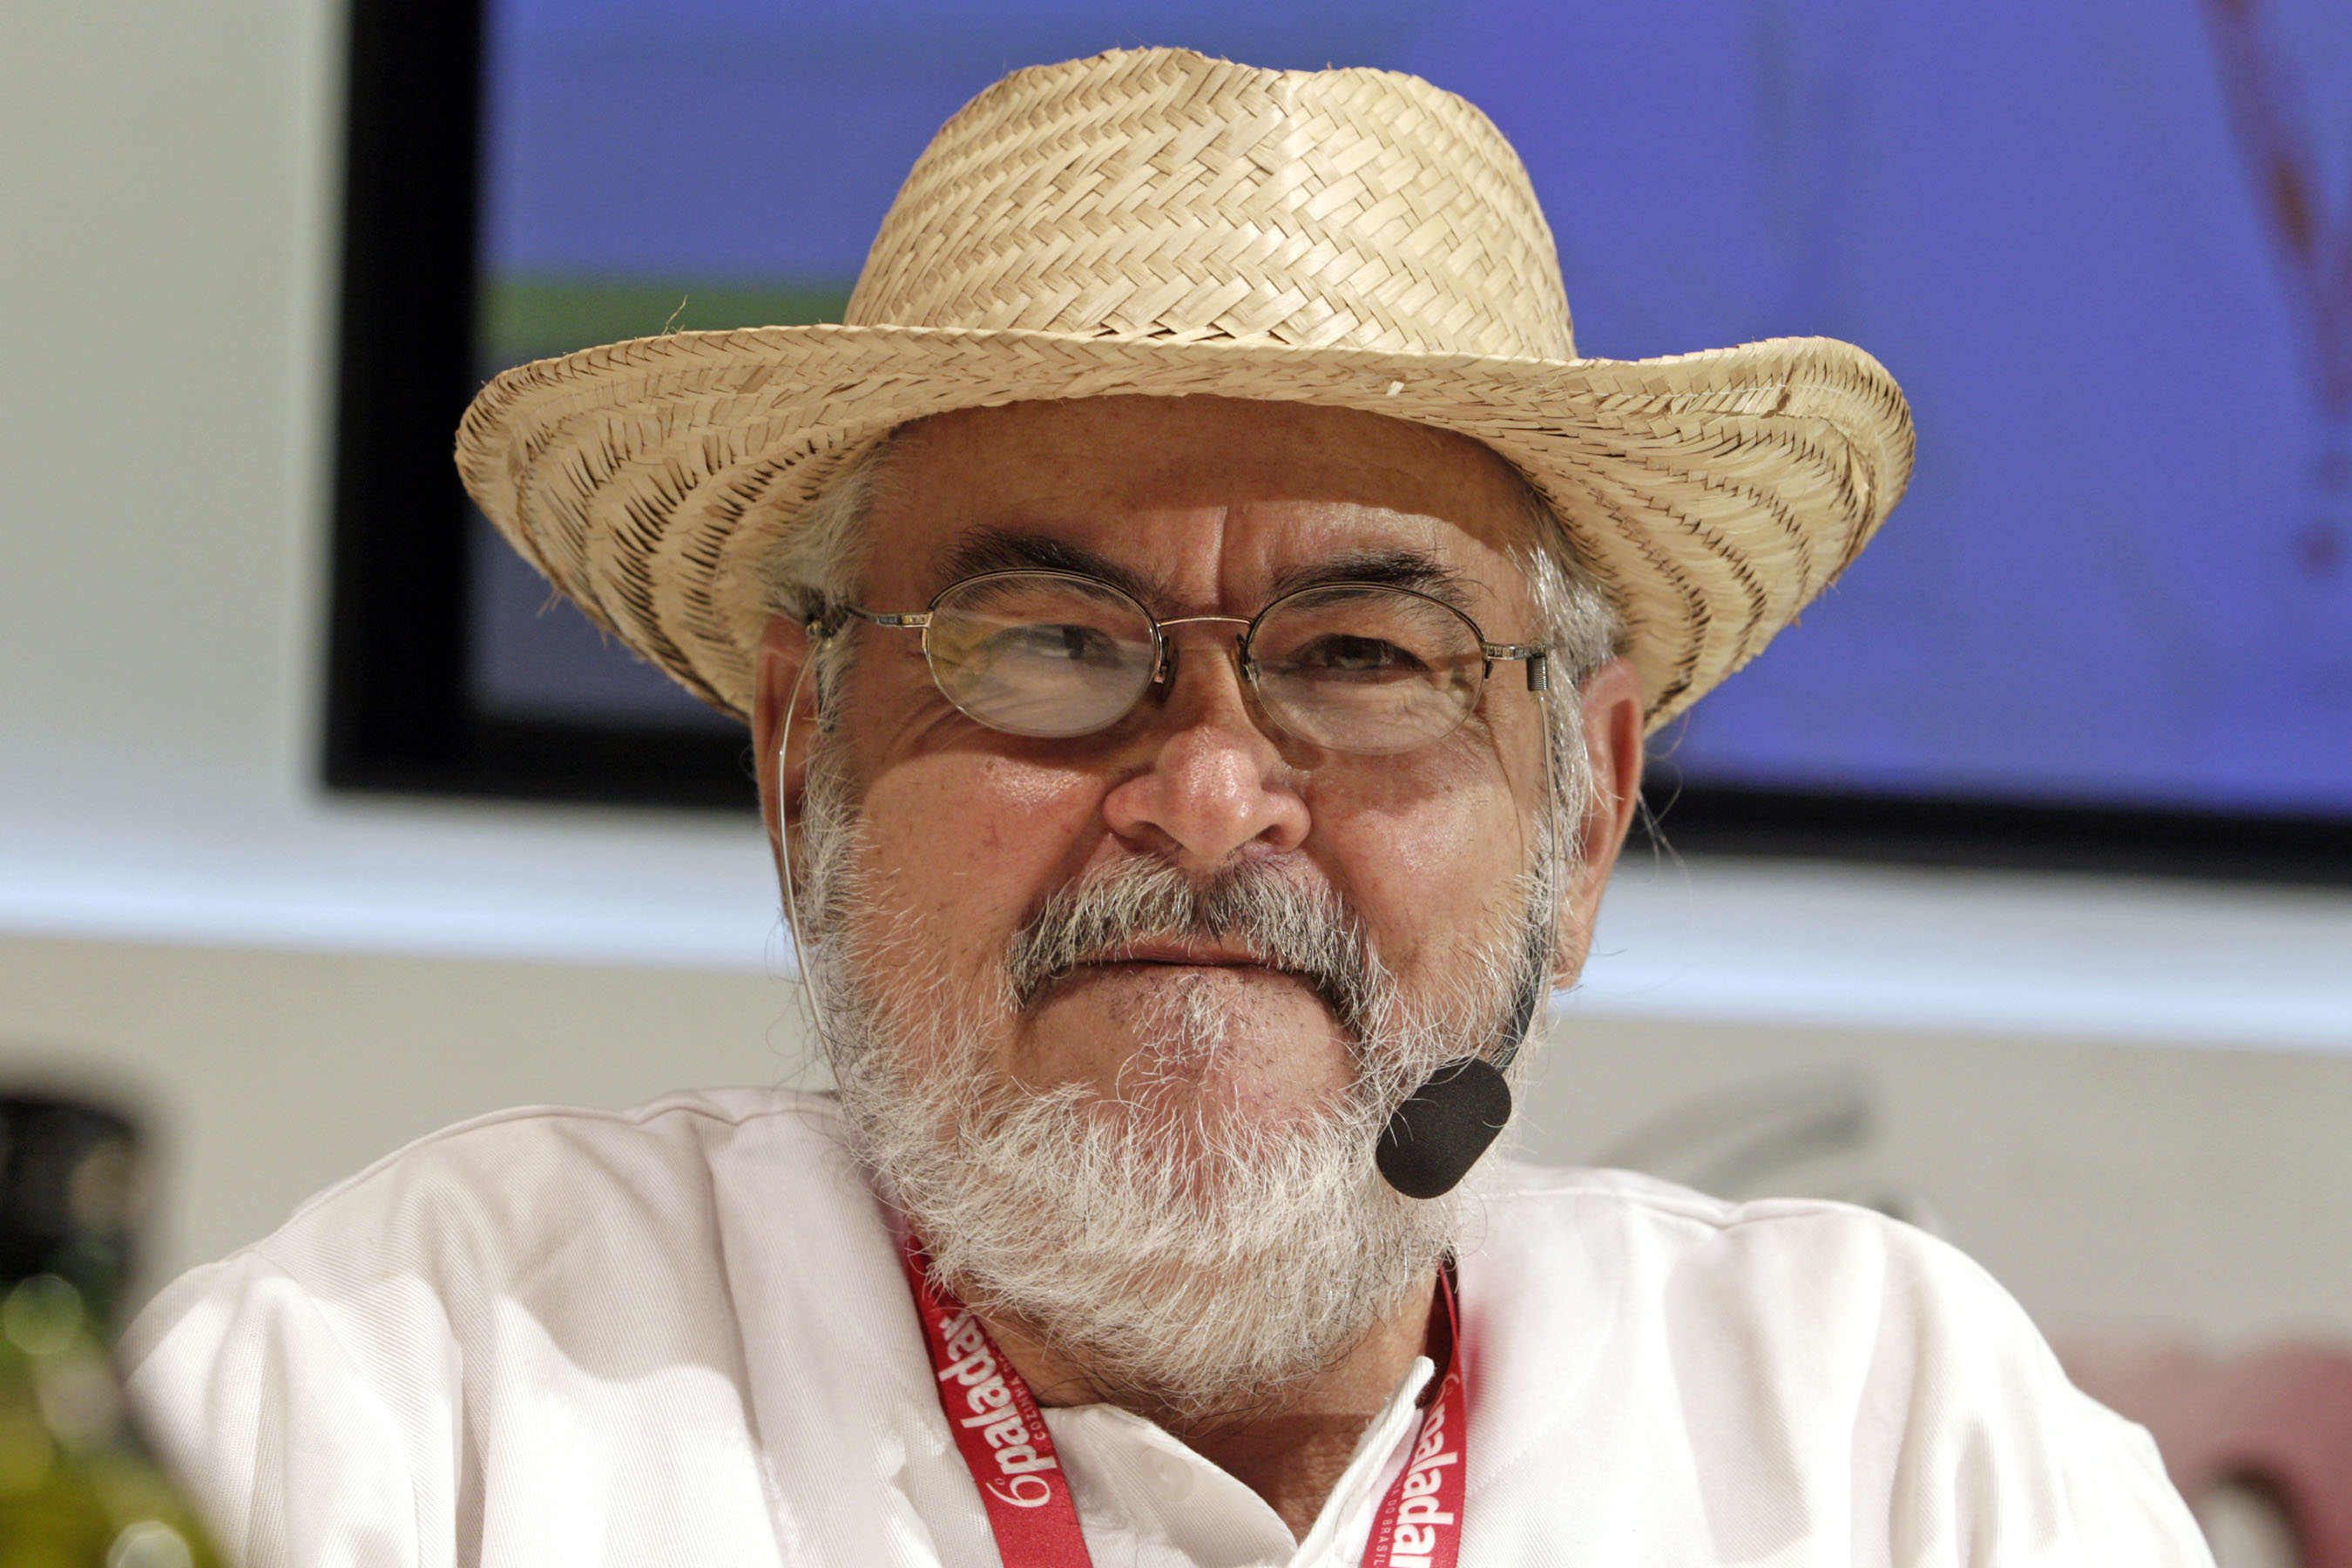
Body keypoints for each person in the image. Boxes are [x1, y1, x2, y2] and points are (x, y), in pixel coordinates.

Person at [124, 48, 2212, 1566]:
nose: (1210, 799)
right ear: (797, 762)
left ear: (1582, 825)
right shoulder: (406, 1399)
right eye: (1048, 641)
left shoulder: (1889, 1450)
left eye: (1364, 657)